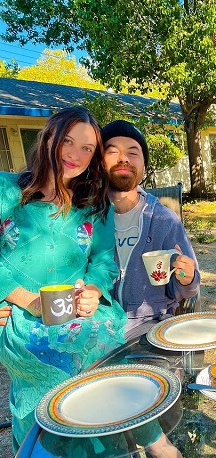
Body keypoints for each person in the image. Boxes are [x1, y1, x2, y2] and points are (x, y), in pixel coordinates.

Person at [0, 106, 127, 452]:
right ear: (49, 138)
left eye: (87, 148)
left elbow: (103, 261)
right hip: (20, 319)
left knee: (107, 371)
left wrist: (95, 289)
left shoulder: (95, 205)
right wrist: (26, 299)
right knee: (56, 387)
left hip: (78, 316)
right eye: (68, 141)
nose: (76, 154)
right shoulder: (7, 192)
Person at [101, 119, 201, 339]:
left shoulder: (164, 220)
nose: (124, 158)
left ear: (144, 165)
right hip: (96, 327)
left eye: (133, 152)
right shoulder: (86, 217)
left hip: (149, 330)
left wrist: (187, 277)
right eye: (113, 151)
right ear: (99, 161)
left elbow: (186, 289)